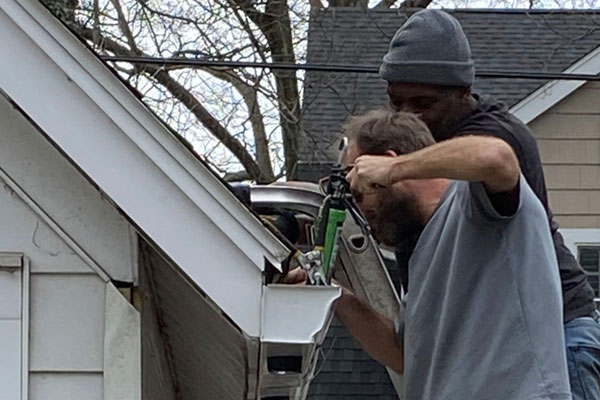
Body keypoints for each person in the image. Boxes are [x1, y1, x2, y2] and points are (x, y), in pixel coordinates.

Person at [379, 9, 600, 398]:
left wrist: (395, 171)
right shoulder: (419, 153)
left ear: (463, 92)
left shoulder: (496, 136)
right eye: (396, 102)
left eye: (422, 103)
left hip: (556, 334)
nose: (408, 115)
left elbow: (490, 160)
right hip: (489, 349)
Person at [340, 109, 570, 400]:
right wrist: (334, 296)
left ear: (387, 164)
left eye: (359, 193)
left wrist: (395, 168)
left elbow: (496, 157)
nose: (360, 212)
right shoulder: (420, 251)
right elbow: (402, 356)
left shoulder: (474, 203)